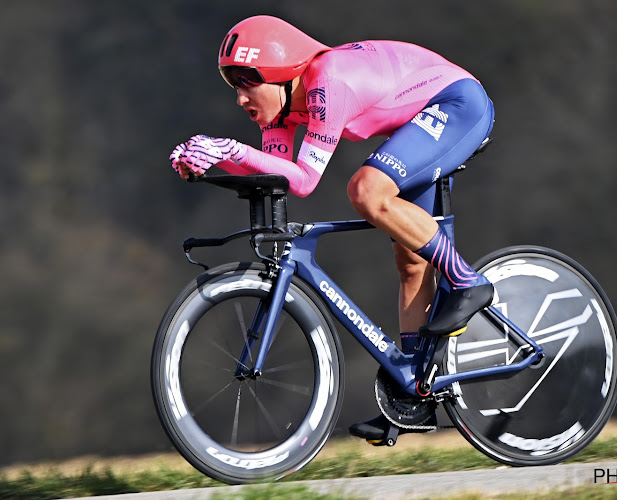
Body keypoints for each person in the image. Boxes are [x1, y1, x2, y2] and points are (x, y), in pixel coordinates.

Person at [170, 15, 496, 444]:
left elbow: (303, 180)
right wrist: (209, 163)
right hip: (414, 121)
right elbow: (277, 176)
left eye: (248, 84)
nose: (240, 99)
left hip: (456, 104)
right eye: (235, 86)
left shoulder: (328, 84)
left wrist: (228, 148)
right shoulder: (281, 109)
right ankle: (414, 393)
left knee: (366, 191)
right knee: (411, 262)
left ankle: (466, 280)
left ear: (283, 76)